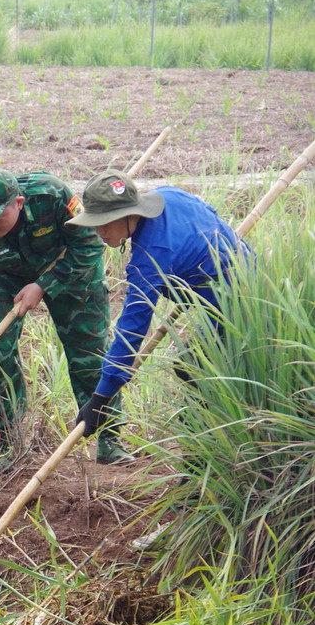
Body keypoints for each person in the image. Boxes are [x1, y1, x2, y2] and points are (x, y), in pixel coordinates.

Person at [0, 168, 129, 476]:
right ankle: (10, 442)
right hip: (6, 276)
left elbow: (89, 245)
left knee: (89, 354)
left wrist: (43, 285)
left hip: (70, 270)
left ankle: (108, 438)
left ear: (19, 203)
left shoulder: (51, 195)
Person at [67, 170, 248, 439]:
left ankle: (204, 449)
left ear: (130, 214)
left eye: (105, 222)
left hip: (237, 301)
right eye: (95, 222)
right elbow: (209, 213)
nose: (98, 230)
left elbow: (132, 329)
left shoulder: (151, 258)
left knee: (194, 368)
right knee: (191, 365)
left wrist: (101, 397)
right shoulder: (168, 195)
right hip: (245, 267)